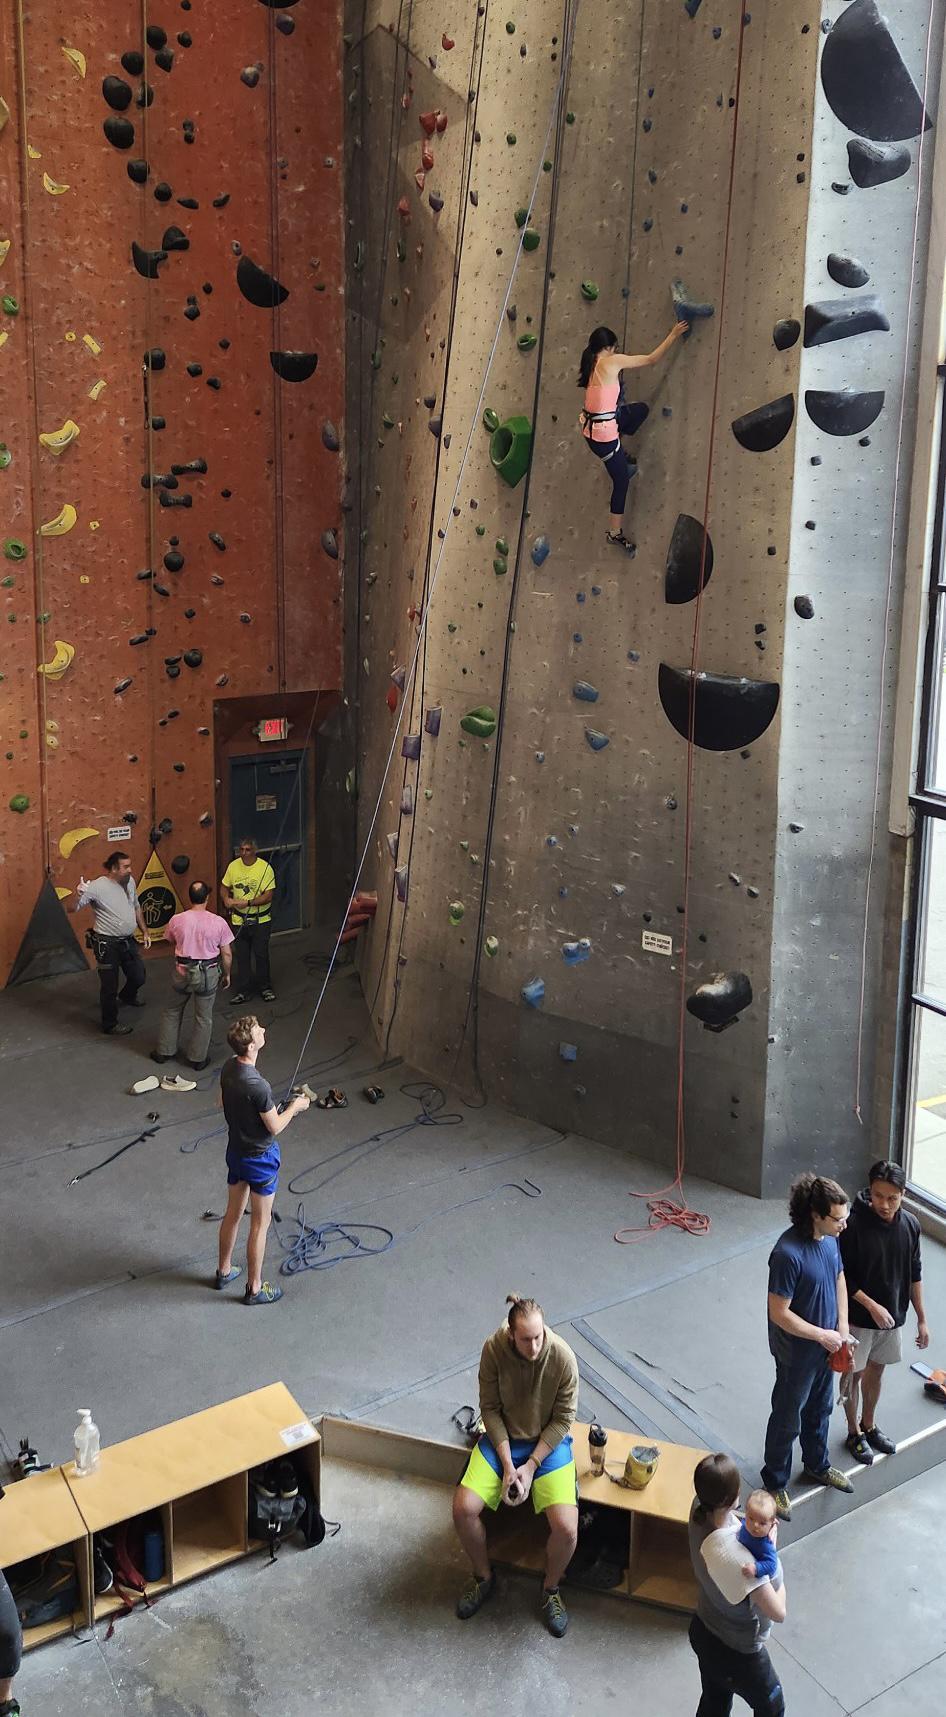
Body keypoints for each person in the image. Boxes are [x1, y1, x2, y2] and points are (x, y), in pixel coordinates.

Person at [452, 1293, 579, 1639]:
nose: (535, 1346)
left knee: (567, 1529)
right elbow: (489, 1409)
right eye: (526, 1339)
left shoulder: (563, 1357)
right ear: (511, 1334)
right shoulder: (493, 1350)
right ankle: (482, 1577)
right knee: (463, 1508)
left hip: (547, 1443)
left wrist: (532, 1464)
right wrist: (509, 1465)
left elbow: (564, 1419)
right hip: (503, 1438)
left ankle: (551, 1589)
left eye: (539, 1336)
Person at [761, 1173, 856, 1520]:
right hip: (797, 1354)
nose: (844, 1225)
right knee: (788, 1417)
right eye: (838, 1218)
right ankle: (775, 1482)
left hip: (826, 1346)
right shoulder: (787, 1254)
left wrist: (842, 1327)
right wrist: (821, 1334)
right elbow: (779, 1313)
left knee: (821, 1409)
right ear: (815, 1214)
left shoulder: (830, 1240)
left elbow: (839, 1277)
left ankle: (817, 1464)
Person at [839, 1159, 930, 1464]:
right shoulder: (852, 1226)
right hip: (858, 1320)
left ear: (903, 1194)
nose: (885, 1204)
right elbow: (842, 1276)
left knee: (876, 1372)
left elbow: (914, 1273)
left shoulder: (910, 1226)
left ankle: (869, 1424)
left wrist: (921, 1319)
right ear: (870, 1190)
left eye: (892, 1198)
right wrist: (871, 1305)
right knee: (853, 1375)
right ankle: (853, 1433)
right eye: (878, 1196)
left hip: (891, 1320)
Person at [216, 1015, 309, 1305]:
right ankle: (255, 1289)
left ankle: (223, 1270)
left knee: (233, 1212)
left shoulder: (229, 1067)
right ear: (252, 1045)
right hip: (261, 1159)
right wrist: (294, 1106)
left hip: (236, 1152)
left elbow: (224, 1102)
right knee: (260, 1223)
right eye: (259, 1030)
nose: (263, 1030)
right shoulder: (258, 1086)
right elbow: (276, 1127)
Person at [688, 1453, 786, 1717]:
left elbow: (730, 1524)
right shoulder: (742, 1563)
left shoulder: (699, 1507)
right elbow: (778, 1612)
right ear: (735, 1497)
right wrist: (771, 1554)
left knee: (715, 1699)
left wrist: (752, 1533)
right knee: (772, 1707)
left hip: (703, 1629)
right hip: (738, 1654)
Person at [578, 320, 688, 553]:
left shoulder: (591, 362)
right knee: (622, 481)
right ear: (609, 348)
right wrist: (673, 333)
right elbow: (651, 359)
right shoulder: (611, 362)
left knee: (639, 411)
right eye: (615, 348)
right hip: (603, 437)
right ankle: (614, 534)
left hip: (595, 426)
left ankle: (619, 453)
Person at [151, 881, 234, 1071]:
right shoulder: (218, 922)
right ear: (207, 897)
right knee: (203, 1017)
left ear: (190, 897)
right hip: (207, 973)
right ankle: (198, 1059)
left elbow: (171, 939)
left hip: (182, 971)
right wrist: (227, 974)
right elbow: (227, 954)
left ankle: (164, 1051)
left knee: (172, 1011)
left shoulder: (176, 920)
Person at [73, 851, 151, 1034]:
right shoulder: (97, 887)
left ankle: (128, 996)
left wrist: (145, 931)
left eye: (130, 865)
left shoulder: (130, 882)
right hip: (107, 944)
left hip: (127, 941)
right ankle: (110, 1024)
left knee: (139, 975)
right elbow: (72, 908)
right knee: (109, 987)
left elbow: (136, 906)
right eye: (126, 867)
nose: (130, 870)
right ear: (114, 868)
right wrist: (78, 894)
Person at [221, 838, 277, 1004]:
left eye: (247, 849)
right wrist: (226, 898)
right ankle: (244, 990)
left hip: (260, 920)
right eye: (241, 849)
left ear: (254, 851)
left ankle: (265, 987)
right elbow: (224, 886)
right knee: (242, 956)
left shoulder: (265, 868)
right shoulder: (233, 866)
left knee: (261, 954)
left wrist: (248, 902)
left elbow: (268, 895)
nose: (244, 853)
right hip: (239, 920)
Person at [736, 1491, 778, 1581]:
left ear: (772, 1524)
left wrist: (756, 1568)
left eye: (762, 1523)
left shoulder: (766, 1545)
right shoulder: (744, 1523)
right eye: (751, 1518)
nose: (755, 1525)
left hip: (773, 1579)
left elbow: (772, 1565)